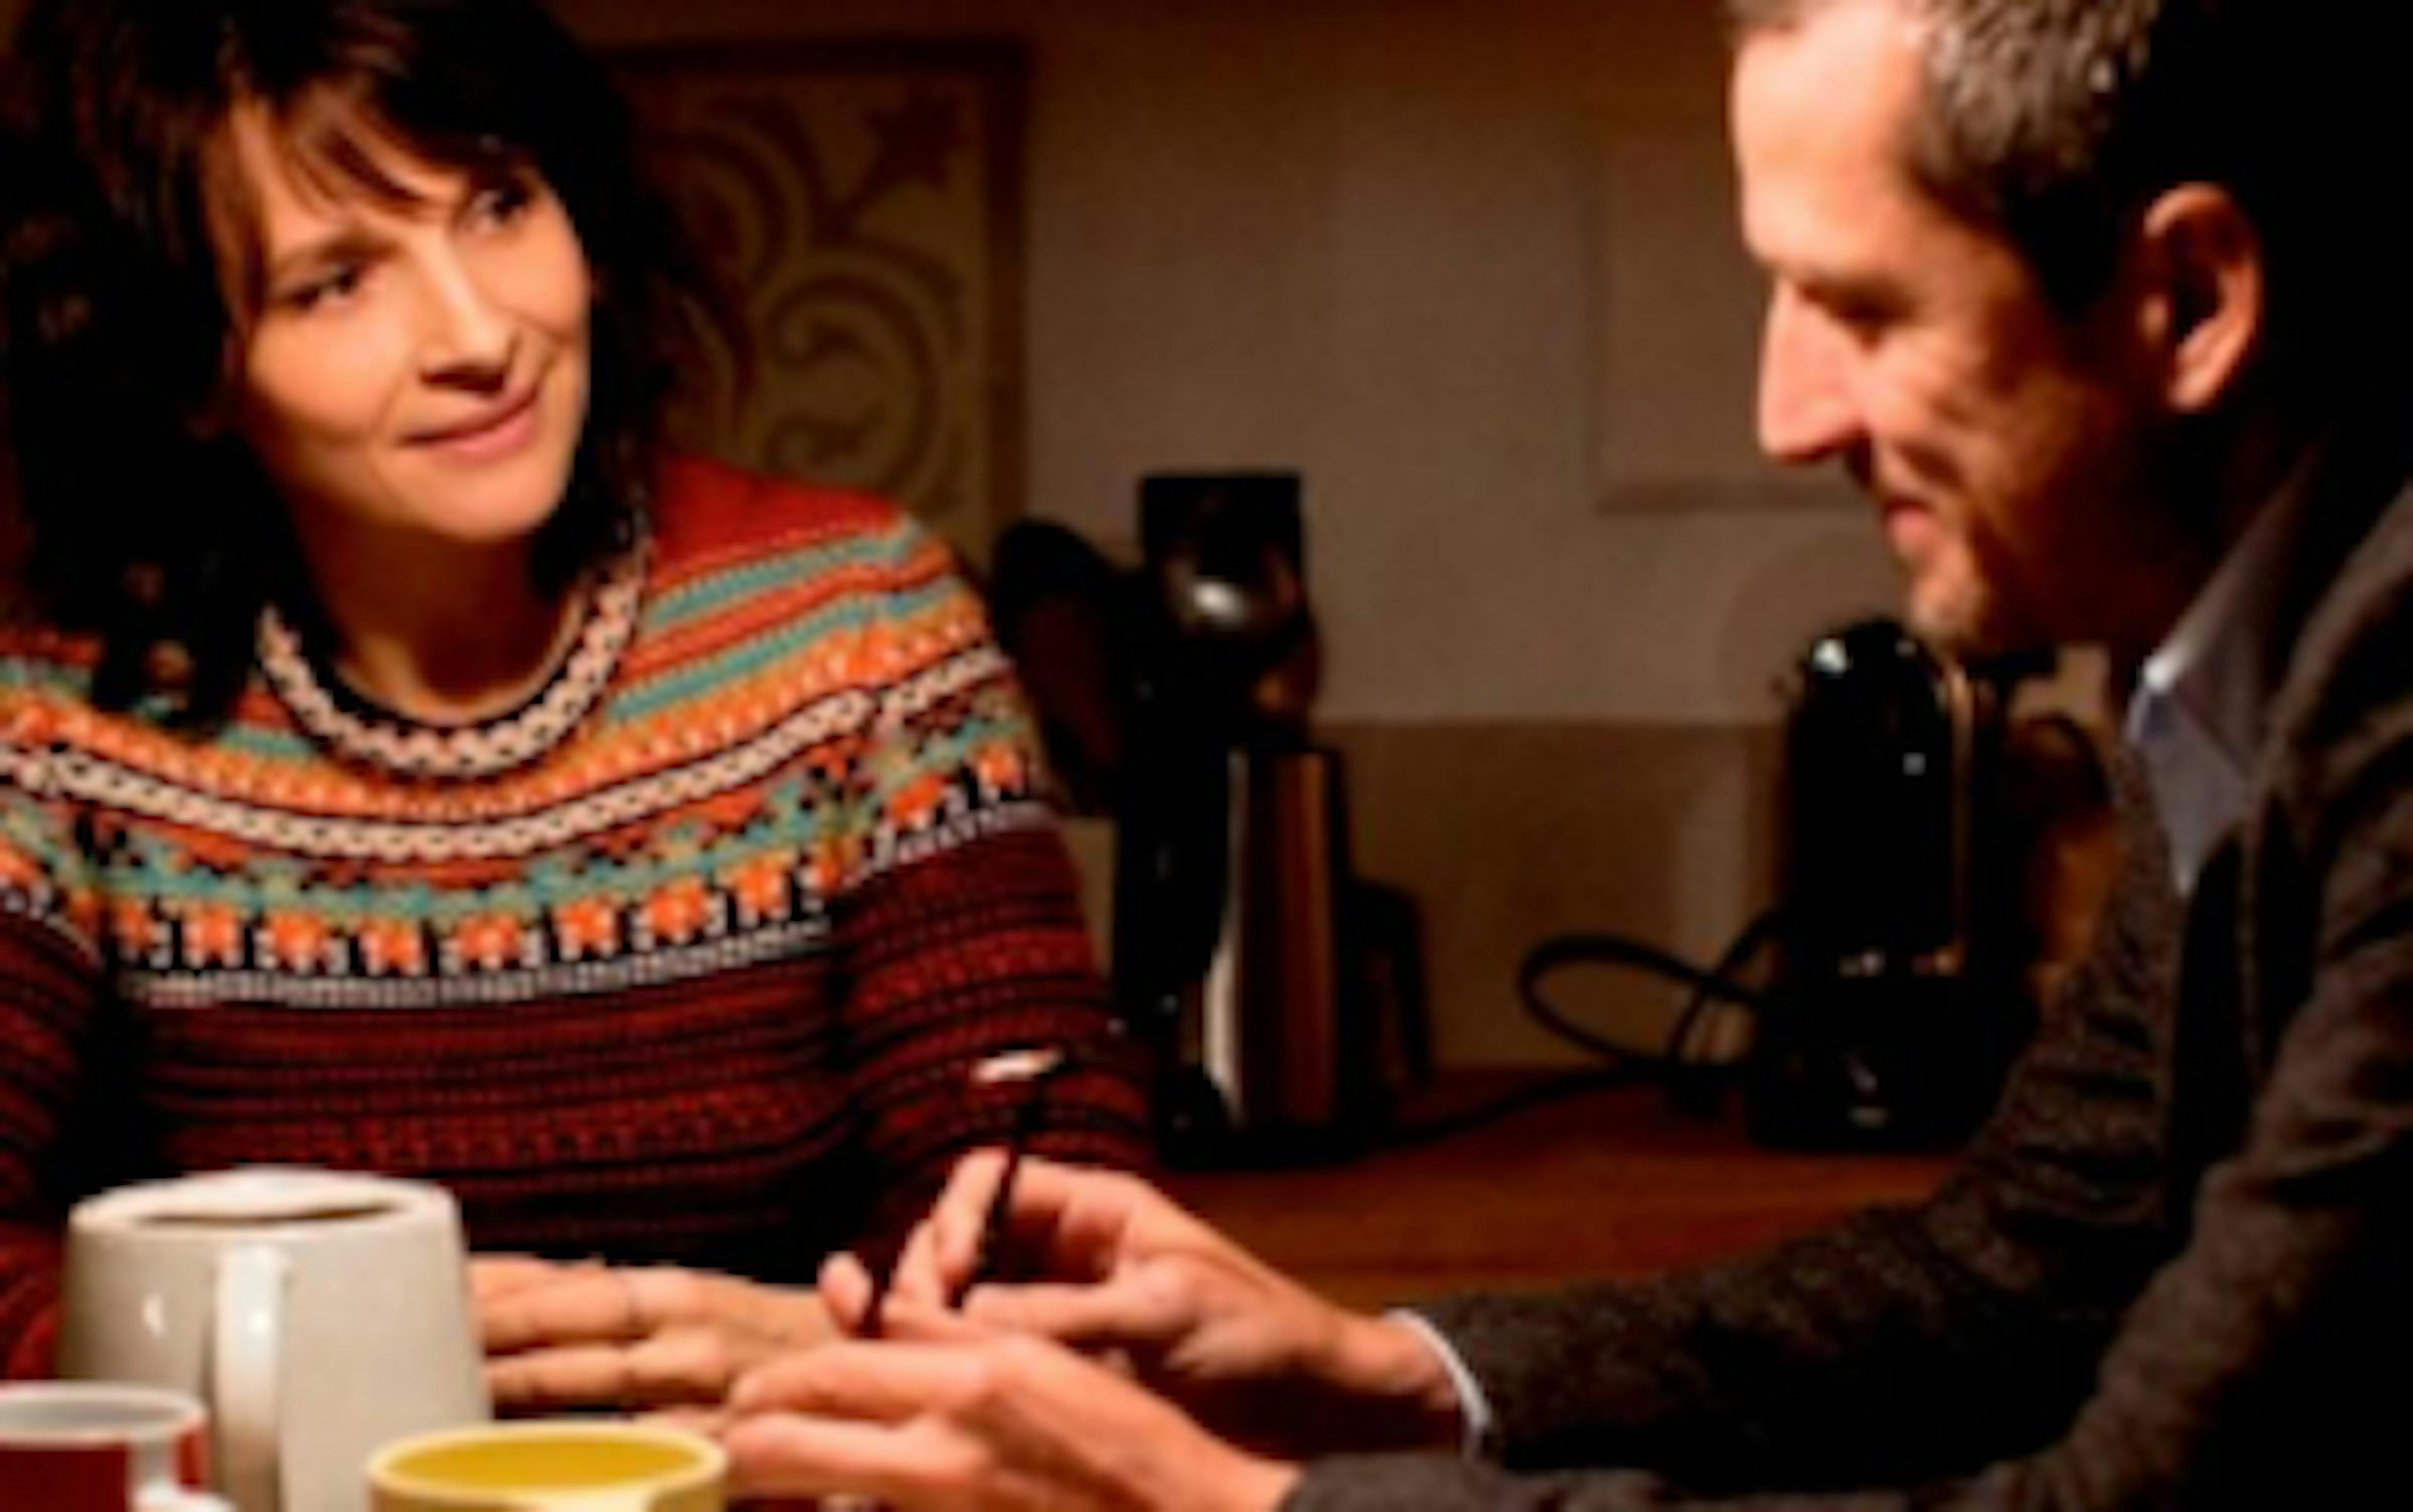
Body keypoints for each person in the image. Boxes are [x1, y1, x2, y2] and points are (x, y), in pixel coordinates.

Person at [709, 0, 2413, 1505]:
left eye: (1860, 307)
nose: (1787, 416)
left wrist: (1218, 1508)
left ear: (2187, 301)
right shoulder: (2232, 669)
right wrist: (1381, 1375)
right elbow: (2016, 1276)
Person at [0, 0, 1150, 1413]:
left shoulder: (855, 631)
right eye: (336, 283)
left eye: (497, 206)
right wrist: (274, 1368)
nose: (479, 333)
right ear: (191, 376)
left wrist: (818, 1358)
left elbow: (1055, 1207)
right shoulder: (66, 723)